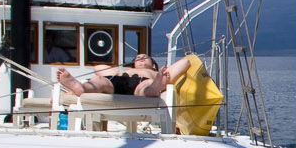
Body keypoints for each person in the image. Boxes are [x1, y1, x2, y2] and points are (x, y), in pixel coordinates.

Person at [54, 51, 196, 100]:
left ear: (153, 64)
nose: (140, 59)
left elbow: (186, 62)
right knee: (99, 80)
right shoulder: (122, 71)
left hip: (143, 82)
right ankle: (80, 88)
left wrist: (162, 76)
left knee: (146, 88)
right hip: (117, 81)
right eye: (137, 58)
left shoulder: (153, 73)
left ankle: (156, 87)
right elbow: (98, 68)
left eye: (144, 57)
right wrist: (117, 71)